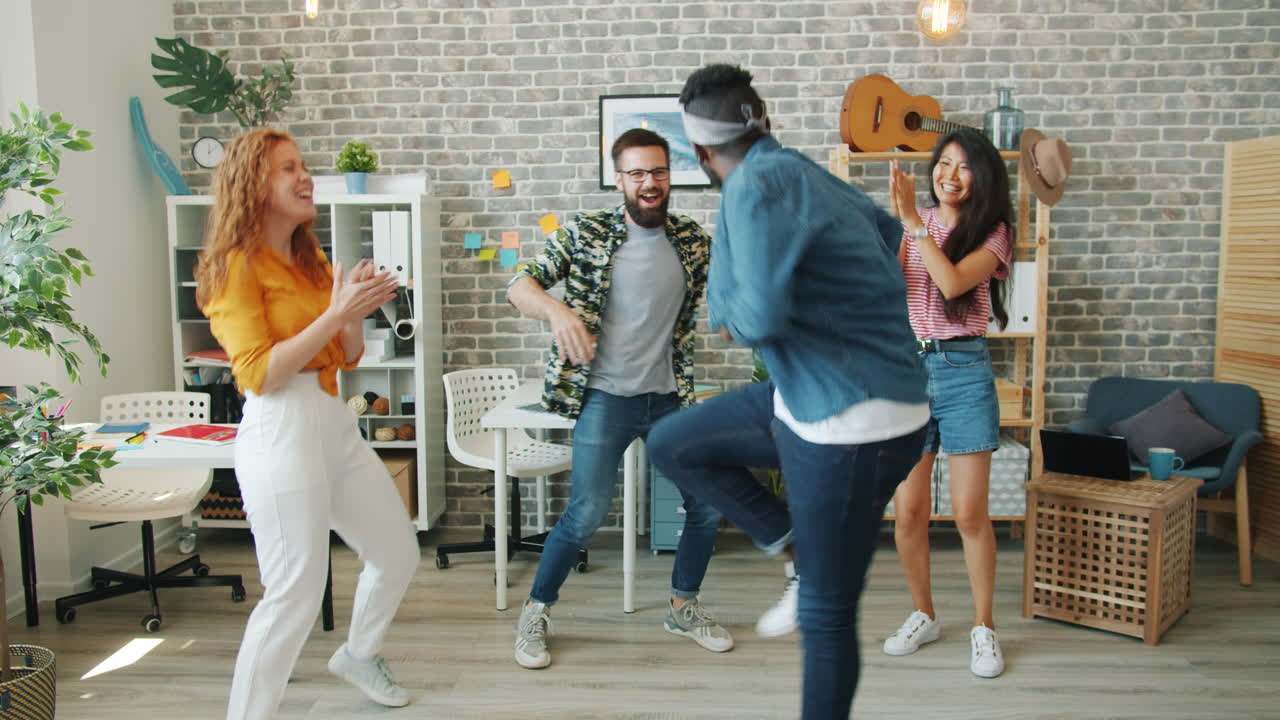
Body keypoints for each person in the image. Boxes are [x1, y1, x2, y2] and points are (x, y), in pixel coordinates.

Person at [646, 64, 930, 720]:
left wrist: (731, 307)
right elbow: (889, 236)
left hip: (850, 424)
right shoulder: (800, 170)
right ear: (764, 122)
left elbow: (758, 319)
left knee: (828, 619)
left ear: (699, 152)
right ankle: (798, 547)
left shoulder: (749, 186)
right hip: (852, 403)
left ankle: (812, 573)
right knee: (675, 442)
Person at [198, 128, 421, 719]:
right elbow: (258, 374)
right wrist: (337, 312)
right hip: (280, 428)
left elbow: (346, 355)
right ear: (252, 184)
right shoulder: (233, 265)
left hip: (331, 421)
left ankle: (358, 654)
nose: (305, 177)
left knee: (397, 552)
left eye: (304, 166)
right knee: (294, 593)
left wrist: (352, 307)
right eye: (287, 168)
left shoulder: (309, 256)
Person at [506, 127, 729, 669]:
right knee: (584, 515)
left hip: (669, 399)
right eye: (636, 173)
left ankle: (682, 606)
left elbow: (727, 301)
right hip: (606, 398)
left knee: (705, 506)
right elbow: (520, 286)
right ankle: (535, 613)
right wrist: (559, 312)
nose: (648, 183)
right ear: (619, 179)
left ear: (669, 175)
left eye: (657, 171)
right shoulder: (586, 234)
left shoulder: (693, 241)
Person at [881, 127, 1014, 678]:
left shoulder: (995, 232)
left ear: (982, 178)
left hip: (963, 371)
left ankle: (984, 627)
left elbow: (954, 284)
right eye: (944, 164)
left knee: (968, 513)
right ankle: (924, 613)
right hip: (910, 370)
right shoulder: (913, 225)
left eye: (963, 167)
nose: (949, 175)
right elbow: (890, 285)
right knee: (908, 512)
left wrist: (913, 223)